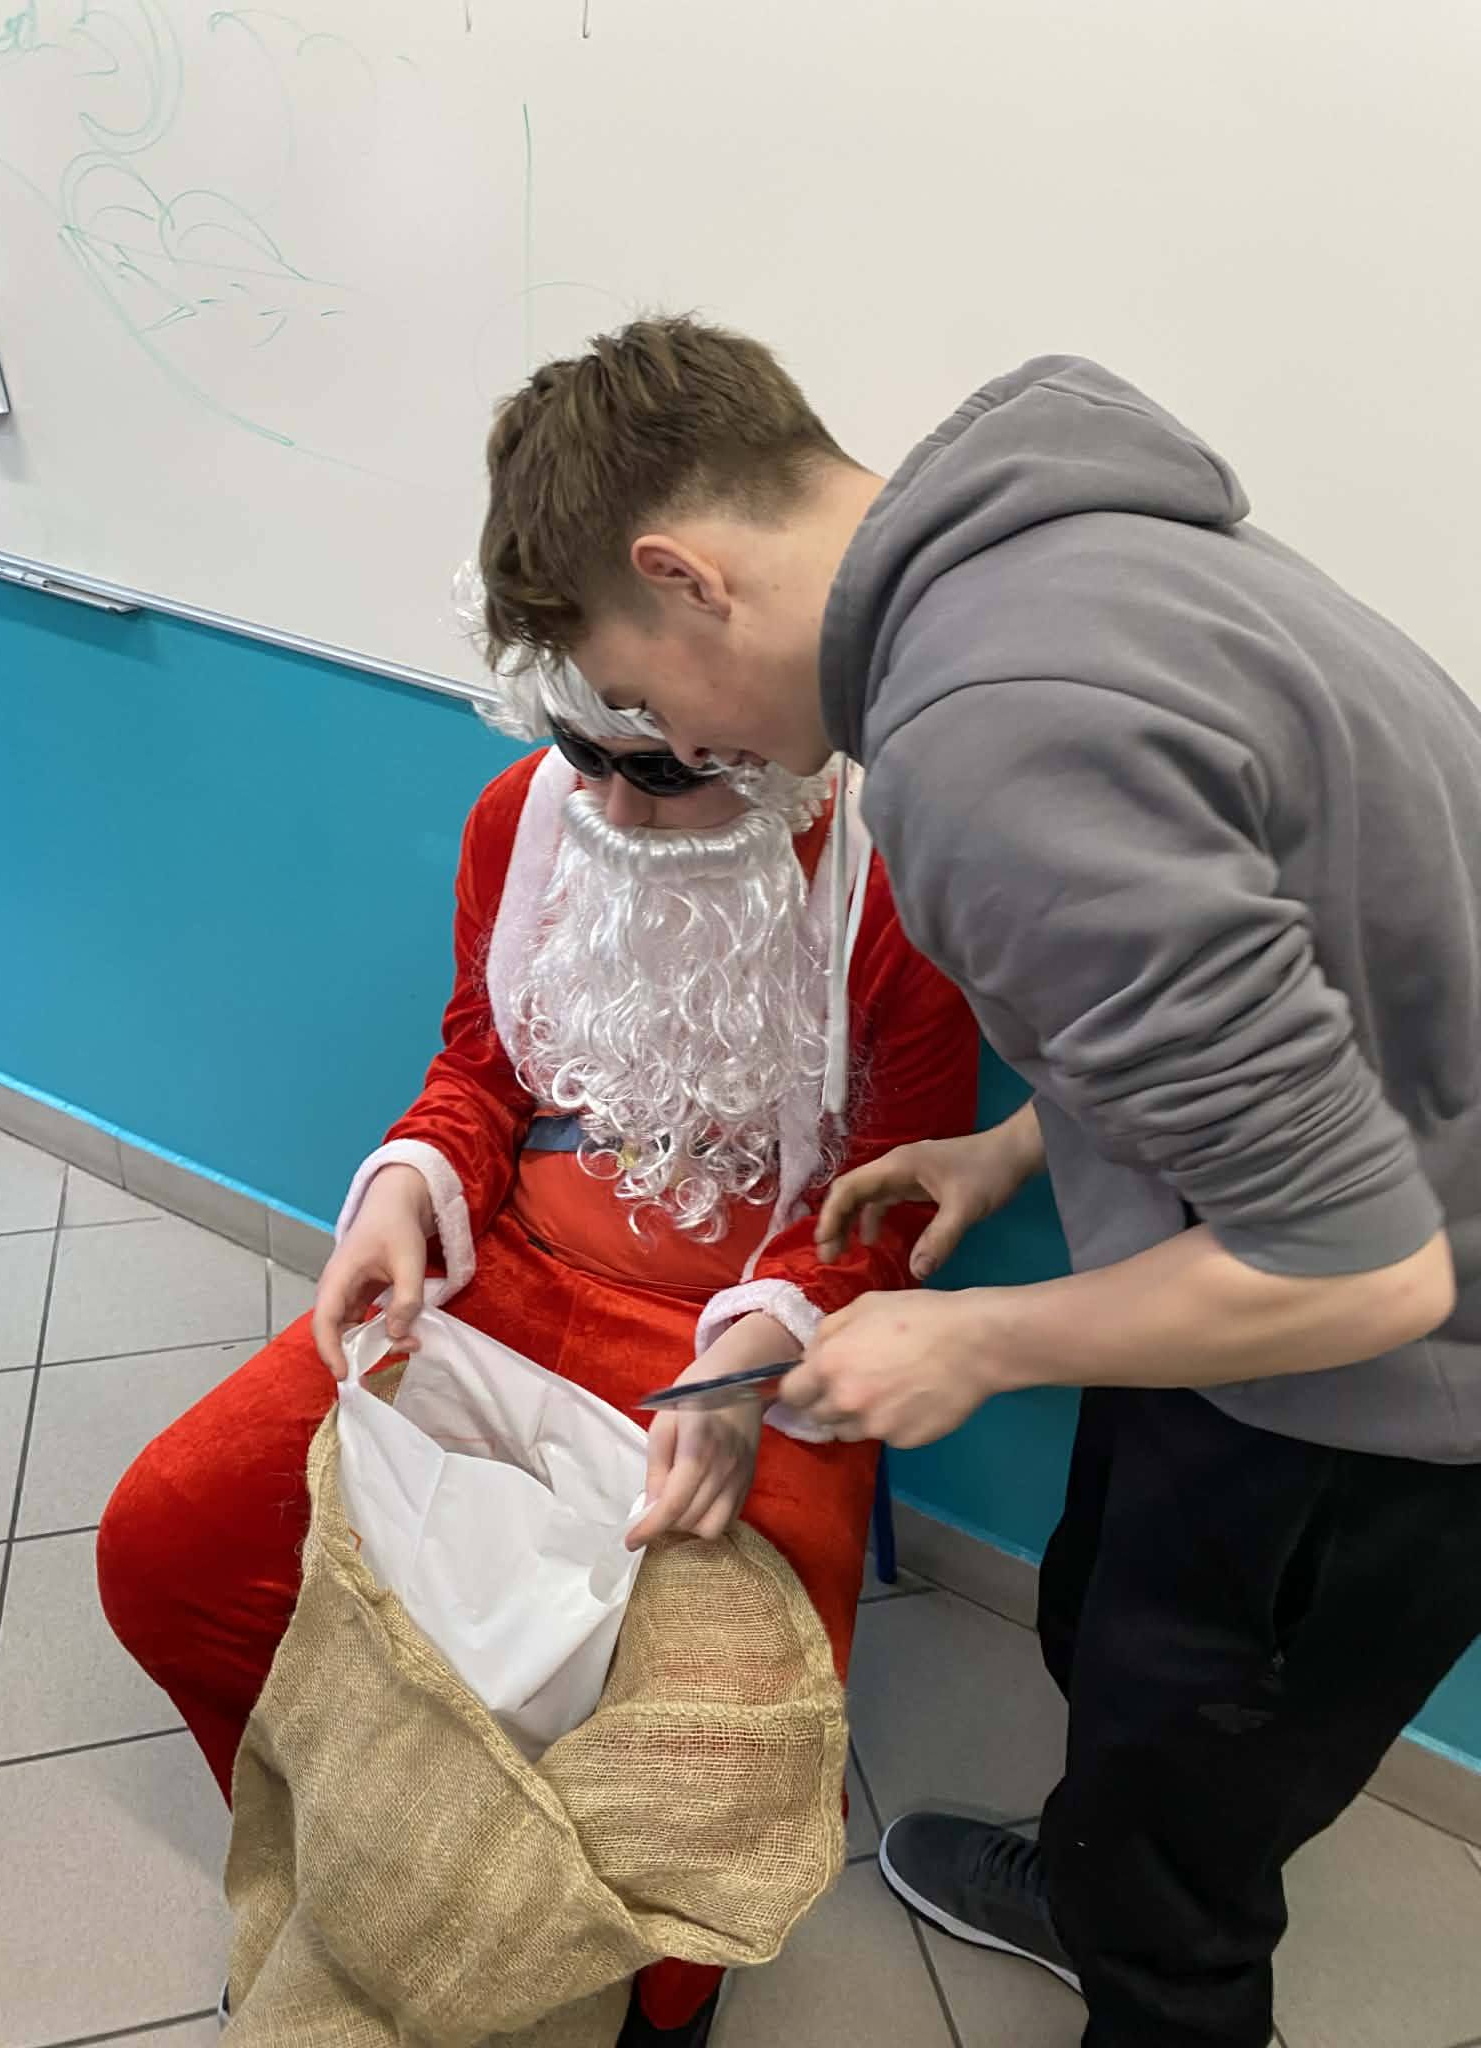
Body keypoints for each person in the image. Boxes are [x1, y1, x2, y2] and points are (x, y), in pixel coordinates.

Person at [476, 318, 1481, 2048]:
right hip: (1263, 1282)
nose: (678, 744)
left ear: (684, 577)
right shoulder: (1056, 546)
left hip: (1379, 1381)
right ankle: (1095, 1871)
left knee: (1188, 1832)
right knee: (1108, 1635)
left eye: (644, 697)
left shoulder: (983, 739)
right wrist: (1020, 1143)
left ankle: (1143, 1937)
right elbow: (1274, 977)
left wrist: (978, 1341)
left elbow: (1365, 1272)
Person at [96, 652, 982, 2047]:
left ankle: (656, 1999)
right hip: (501, 1269)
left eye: (664, 771)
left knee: (720, 1745)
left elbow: (897, 1192)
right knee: (175, 1543)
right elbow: (479, 1070)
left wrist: (751, 1357)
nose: (612, 812)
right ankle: (353, 1852)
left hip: (747, 1330)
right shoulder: (522, 818)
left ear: (772, 736)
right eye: (581, 752)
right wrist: (405, 1189)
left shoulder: (897, 886)